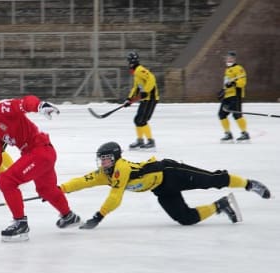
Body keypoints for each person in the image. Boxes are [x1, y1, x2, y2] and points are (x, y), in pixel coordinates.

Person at [60, 141, 271, 229]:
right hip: (160, 188)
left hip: (170, 173)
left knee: (213, 180)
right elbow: (81, 182)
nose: (102, 163)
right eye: (101, 160)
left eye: (105, 159)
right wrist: (59, 191)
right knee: (185, 219)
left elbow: (115, 197)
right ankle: (221, 205)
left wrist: (99, 216)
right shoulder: (104, 174)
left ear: (115, 158)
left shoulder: (121, 168)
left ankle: (249, 184)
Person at [0, 88, 81, 242]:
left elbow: (24, 103)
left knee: (6, 180)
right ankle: (69, 216)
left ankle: (20, 224)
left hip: (40, 151)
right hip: (36, 154)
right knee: (46, 190)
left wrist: (40, 106)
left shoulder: (0, 109)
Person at [123, 51, 159, 150]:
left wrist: (146, 91)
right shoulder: (136, 73)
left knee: (142, 120)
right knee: (137, 120)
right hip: (145, 99)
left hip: (151, 98)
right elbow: (136, 88)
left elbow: (151, 78)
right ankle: (140, 141)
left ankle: (151, 142)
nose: (129, 63)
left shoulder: (140, 70)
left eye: (130, 61)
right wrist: (129, 99)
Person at [218, 51, 249, 143]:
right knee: (221, 114)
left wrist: (234, 83)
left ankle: (245, 134)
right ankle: (228, 134)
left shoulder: (239, 68)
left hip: (236, 96)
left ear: (234, 59)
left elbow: (242, 82)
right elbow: (227, 84)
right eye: (227, 58)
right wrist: (223, 90)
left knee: (237, 115)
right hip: (227, 96)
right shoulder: (227, 69)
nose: (228, 59)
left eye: (230, 58)